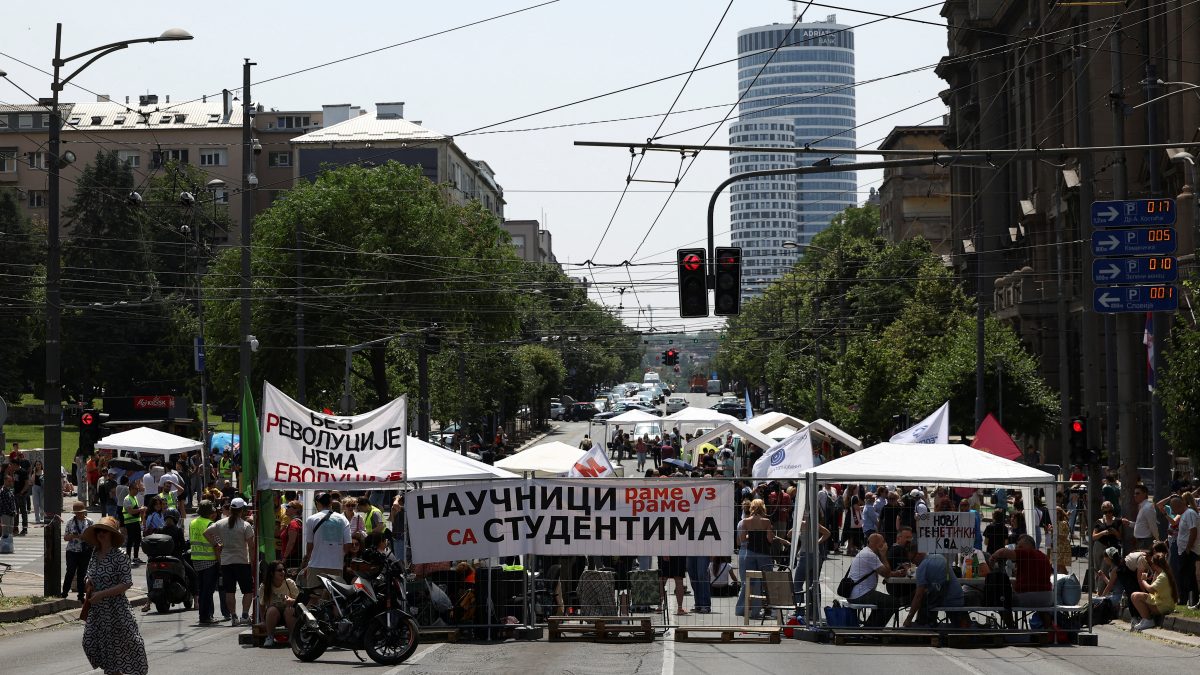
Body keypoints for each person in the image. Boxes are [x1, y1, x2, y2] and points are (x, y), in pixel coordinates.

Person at [81, 516, 148, 675]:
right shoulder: (95, 553)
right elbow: (88, 574)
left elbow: (126, 583)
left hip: (116, 608)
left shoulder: (120, 555)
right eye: (98, 531)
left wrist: (102, 594)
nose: (101, 534)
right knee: (90, 642)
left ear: (111, 534)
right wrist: (88, 582)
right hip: (98, 610)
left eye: (104, 531)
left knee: (126, 644)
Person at [205, 497, 255, 626]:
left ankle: (233, 616)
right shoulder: (245, 525)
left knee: (229, 591)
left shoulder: (221, 523)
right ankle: (244, 615)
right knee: (248, 590)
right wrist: (253, 563)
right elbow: (251, 546)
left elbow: (206, 533)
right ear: (242, 510)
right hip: (242, 562)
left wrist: (216, 545)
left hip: (226, 562)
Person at [847, 532, 908, 627]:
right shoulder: (870, 555)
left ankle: (871, 626)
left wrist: (896, 573)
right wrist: (883, 555)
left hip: (856, 592)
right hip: (860, 594)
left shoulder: (866, 552)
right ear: (878, 545)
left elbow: (883, 572)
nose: (885, 545)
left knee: (884, 602)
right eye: (883, 542)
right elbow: (886, 574)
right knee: (892, 602)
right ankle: (872, 629)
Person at [990, 534, 1054, 620]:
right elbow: (1033, 580)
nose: (1017, 549)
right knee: (1040, 605)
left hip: (1028, 597)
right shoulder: (1044, 557)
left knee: (1001, 600)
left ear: (1029, 546)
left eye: (1020, 546)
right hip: (1047, 598)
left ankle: (1011, 628)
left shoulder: (1026, 553)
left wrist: (993, 556)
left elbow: (1003, 552)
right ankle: (1048, 629)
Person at [735, 498, 774, 619]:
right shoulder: (766, 521)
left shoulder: (746, 521)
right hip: (763, 553)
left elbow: (743, 539)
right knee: (764, 582)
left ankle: (745, 609)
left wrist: (750, 535)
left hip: (750, 553)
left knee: (748, 582)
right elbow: (769, 539)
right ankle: (763, 610)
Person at [303, 491, 353, 587]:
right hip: (336, 565)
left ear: (317, 504)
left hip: (316, 564)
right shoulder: (343, 519)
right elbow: (348, 544)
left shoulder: (312, 519)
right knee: (332, 598)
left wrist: (308, 562)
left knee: (314, 597)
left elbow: (309, 545)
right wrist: (339, 555)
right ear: (331, 503)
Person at [904, 553, 965, 628]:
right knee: (929, 596)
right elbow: (945, 580)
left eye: (912, 560)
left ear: (918, 554)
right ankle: (930, 626)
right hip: (958, 596)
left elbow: (918, 596)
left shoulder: (922, 567)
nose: (913, 563)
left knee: (923, 600)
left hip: (948, 600)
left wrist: (908, 618)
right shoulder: (939, 557)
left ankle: (924, 629)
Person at [189, 501, 220, 624]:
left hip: (196, 560)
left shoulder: (192, 522)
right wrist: (220, 561)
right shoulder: (209, 524)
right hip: (210, 561)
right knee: (208, 590)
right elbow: (216, 545)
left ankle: (204, 615)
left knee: (202, 589)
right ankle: (205, 617)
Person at [1130, 553, 1178, 631]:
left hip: (1164, 605)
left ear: (1155, 565)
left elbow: (1150, 589)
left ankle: (1148, 620)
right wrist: (1154, 576)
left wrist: (1143, 580)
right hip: (1161, 602)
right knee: (1134, 595)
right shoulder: (1162, 573)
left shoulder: (1163, 576)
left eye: (1151, 563)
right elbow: (1152, 591)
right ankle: (1145, 619)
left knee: (1136, 596)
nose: (1151, 566)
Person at [259, 560, 299, 647]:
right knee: (272, 610)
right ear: (272, 573)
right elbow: (261, 605)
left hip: (288, 613)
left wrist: (291, 600)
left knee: (289, 610)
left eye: (284, 569)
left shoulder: (289, 583)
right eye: (279, 570)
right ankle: (270, 637)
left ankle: (293, 637)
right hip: (273, 615)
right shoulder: (265, 586)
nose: (283, 572)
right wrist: (262, 621)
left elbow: (299, 600)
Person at [62, 501, 94, 601]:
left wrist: (85, 538)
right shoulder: (70, 522)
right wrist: (72, 536)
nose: (79, 514)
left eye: (81, 512)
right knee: (70, 571)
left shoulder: (89, 522)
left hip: (85, 551)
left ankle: (81, 595)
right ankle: (64, 593)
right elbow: (65, 537)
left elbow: (94, 537)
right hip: (72, 551)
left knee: (82, 574)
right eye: (77, 513)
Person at [1126, 484, 1159, 549]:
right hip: (1141, 541)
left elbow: (1152, 525)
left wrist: (1157, 540)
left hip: (1145, 541)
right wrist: (1129, 523)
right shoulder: (1142, 506)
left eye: (1137, 493)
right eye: (1134, 493)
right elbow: (1142, 524)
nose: (1135, 495)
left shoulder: (1148, 507)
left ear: (1144, 494)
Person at [121, 480, 146, 565]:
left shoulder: (134, 498)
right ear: (131, 489)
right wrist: (140, 509)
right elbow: (130, 511)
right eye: (136, 489)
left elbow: (136, 509)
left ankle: (135, 558)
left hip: (136, 522)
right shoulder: (127, 499)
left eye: (138, 489)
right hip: (130, 523)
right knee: (130, 540)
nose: (137, 491)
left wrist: (140, 508)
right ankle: (128, 558)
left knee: (138, 540)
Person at [280, 500, 304, 571]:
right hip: (294, 558)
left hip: (291, 559)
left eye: (288, 507)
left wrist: (284, 558)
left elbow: (291, 542)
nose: (286, 509)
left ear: (296, 510)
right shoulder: (299, 521)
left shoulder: (294, 523)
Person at [30, 460, 44, 525]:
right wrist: (34, 472)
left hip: (42, 488)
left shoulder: (43, 472)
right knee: (36, 504)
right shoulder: (34, 472)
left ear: (41, 465)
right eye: (37, 465)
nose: (38, 466)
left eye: (39, 464)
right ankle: (37, 519)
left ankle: (42, 514)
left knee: (42, 504)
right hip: (35, 488)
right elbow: (32, 481)